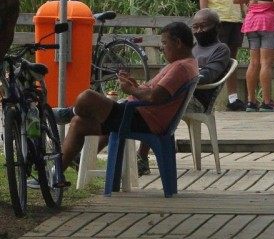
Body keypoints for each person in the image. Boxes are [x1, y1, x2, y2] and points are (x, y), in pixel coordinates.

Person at [57, 22, 200, 186]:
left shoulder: (181, 67)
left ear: (178, 43)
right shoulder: (185, 64)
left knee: (87, 97)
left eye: (164, 43)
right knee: (78, 123)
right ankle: (58, 175)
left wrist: (130, 90)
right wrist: (134, 85)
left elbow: (154, 96)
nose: (162, 48)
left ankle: (67, 113)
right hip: (138, 114)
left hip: (141, 119)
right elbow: (153, 91)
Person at [136, 9, 233, 175]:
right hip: (179, 93)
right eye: (195, 27)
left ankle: (143, 156)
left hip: (198, 99)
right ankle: (153, 151)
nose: (198, 31)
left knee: (155, 103)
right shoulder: (192, 48)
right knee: (152, 100)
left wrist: (183, 77)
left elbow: (209, 75)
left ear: (217, 27)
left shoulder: (220, 49)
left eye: (203, 26)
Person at [199, 0, 246, 110]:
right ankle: (210, 98)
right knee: (216, 60)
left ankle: (233, 98)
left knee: (231, 60)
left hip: (234, 18)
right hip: (218, 18)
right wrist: (204, 17)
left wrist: (243, 10)